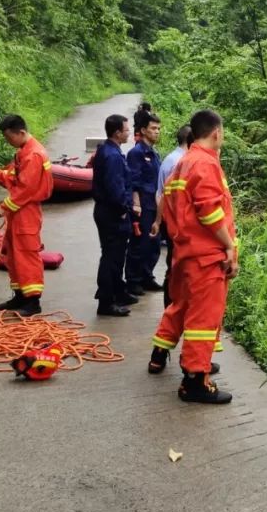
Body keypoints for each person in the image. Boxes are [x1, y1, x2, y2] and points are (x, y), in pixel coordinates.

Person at [148, 109, 237, 404]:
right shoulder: (205, 164)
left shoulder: (182, 164)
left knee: (182, 307)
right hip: (206, 257)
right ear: (216, 133)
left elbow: (172, 207)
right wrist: (228, 247)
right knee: (203, 318)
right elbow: (210, 212)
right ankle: (195, 380)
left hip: (186, 253)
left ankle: (161, 355)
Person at [0, 115, 54, 316]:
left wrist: (2, 208)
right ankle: (20, 297)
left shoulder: (34, 155)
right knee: (13, 254)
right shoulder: (24, 152)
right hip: (18, 211)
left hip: (27, 211)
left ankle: (32, 302)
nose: (8, 142)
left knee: (26, 254)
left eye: (9, 138)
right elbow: (12, 176)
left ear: (20, 133)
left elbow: (25, 190)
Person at [92, 114, 137, 317]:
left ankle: (118, 292)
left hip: (109, 211)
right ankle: (106, 301)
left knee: (116, 256)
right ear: (118, 133)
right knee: (111, 258)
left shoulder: (110, 151)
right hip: (112, 213)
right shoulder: (111, 156)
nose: (128, 133)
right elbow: (114, 188)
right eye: (126, 130)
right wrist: (122, 210)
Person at [151, 124, 192, 308]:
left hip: (170, 222)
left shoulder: (170, 158)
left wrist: (159, 221)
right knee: (176, 268)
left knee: (173, 266)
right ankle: (173, 306)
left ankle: (171, 306)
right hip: (178, 225)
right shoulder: (180, 163)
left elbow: (160, 194)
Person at [124, 113, 164, 296]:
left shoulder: (154, 153)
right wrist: (136, 205)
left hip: (154, 205)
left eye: (158, 129)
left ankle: (147, 276)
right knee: (139, 244)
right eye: (153, 128)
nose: (157, 132)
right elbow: (132, 181)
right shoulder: (136, 153)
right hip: (143, 205)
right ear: (143, 130)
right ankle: (133, 280)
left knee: (154, 244)